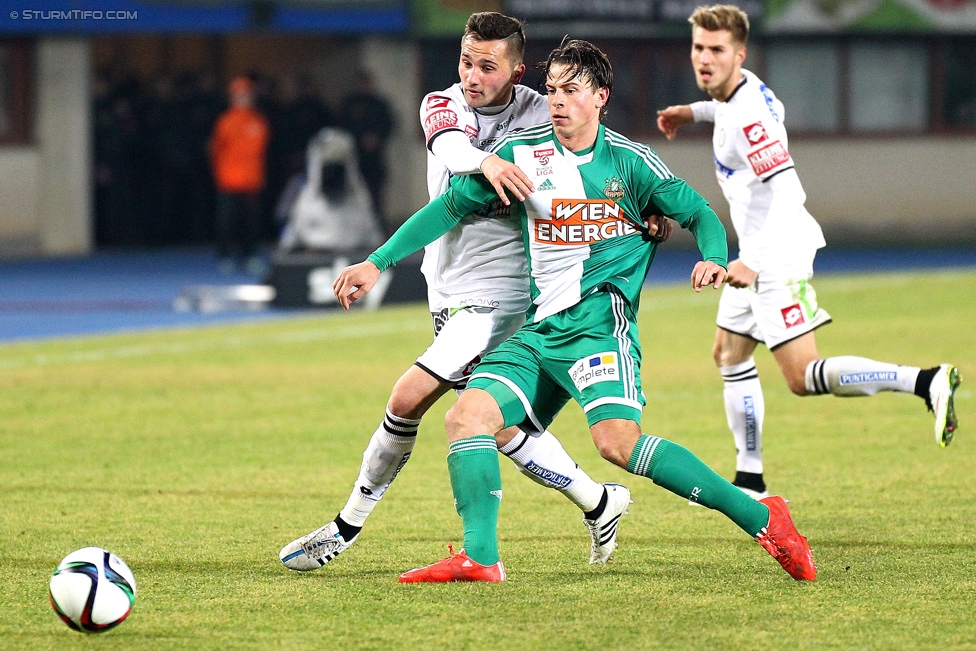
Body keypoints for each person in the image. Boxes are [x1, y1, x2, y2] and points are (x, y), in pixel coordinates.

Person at [333, 39, 817, 583]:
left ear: (600, 98)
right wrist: (376, 263)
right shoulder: (521, 154)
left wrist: (711, 257)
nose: (558, 101)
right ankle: (481, 557)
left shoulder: (629, 162)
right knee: (468, 417)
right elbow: (446, 208)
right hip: (538, 331)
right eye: (552, 90)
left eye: (571, 90)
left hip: (598, 328)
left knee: (616, 444)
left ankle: (763, 516)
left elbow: (699, 212)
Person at [279, 13, 635, 574]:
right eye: (467, 61)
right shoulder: (441, 103)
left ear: (517, 70)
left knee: (406, 398)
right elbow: (449, 149)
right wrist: (485, 163)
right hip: (447, 285)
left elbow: (607, 157)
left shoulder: (545, 112)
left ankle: (346, 528)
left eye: (488, 66)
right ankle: (598, 500)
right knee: (499, 426)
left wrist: (646, 212)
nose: (472, 75)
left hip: (504, 293)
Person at [655, 4, 961, 499]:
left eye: (716, 50)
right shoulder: (741, 91)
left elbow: (788, 191)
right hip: (756, 254)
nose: (704, 59)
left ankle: (925, 382)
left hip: (776, 253)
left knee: (801, 376)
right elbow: (724, 107)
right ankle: (750, 478)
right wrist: (691, 112)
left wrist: (754, 261)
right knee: (729, 352)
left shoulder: (753, 118)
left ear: (739, 54)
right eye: (698, 48)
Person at [209, 76, 270, 275]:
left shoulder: (258, 121)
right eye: (238, 95)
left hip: (251, 180)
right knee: (227, 222)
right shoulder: (225, 121)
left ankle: (250, 255)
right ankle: (226, 256)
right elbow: (216, 149)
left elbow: (259, 149)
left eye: (246, 94)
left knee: (251, 222)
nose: (242, 98)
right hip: (228, 179)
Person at [340, 70, 395, 222]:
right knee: (353, 190)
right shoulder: (350, 104)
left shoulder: (379, 104)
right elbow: (343, 126)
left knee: (375, 192)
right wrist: (358, 140)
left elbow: (388, 125)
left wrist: (376, 139)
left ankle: (376, 222)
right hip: (355, 156)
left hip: (375, 157)